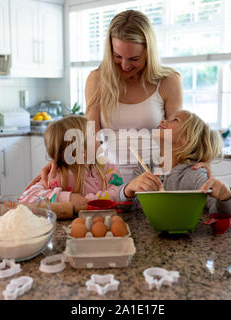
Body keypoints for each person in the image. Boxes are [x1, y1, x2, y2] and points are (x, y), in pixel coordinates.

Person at [25, 9, 210, 191]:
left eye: (134, 58)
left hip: (155, 183)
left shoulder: (168, 81)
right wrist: (61, 163)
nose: (125, 65)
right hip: (109, 182)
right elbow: (90, 137)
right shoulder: (97, 80)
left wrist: (199, 162)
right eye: (118, 56)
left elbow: (180, 134)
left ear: (149, 51)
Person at [118, 110, 231, 221]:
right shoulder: (145, 166)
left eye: (175, 120)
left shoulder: (194, 175)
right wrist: (128, 190)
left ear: (186, 139)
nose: (162, 120)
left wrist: (227, 197)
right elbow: (124, 208)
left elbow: (226, 216)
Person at [20, 115, 124, 209]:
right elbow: (26, 198)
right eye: (93, 135)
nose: (99, 139)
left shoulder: (107, 167)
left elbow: (119, 193)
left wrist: (88, 200)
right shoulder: (56, 175)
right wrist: (67, 198)